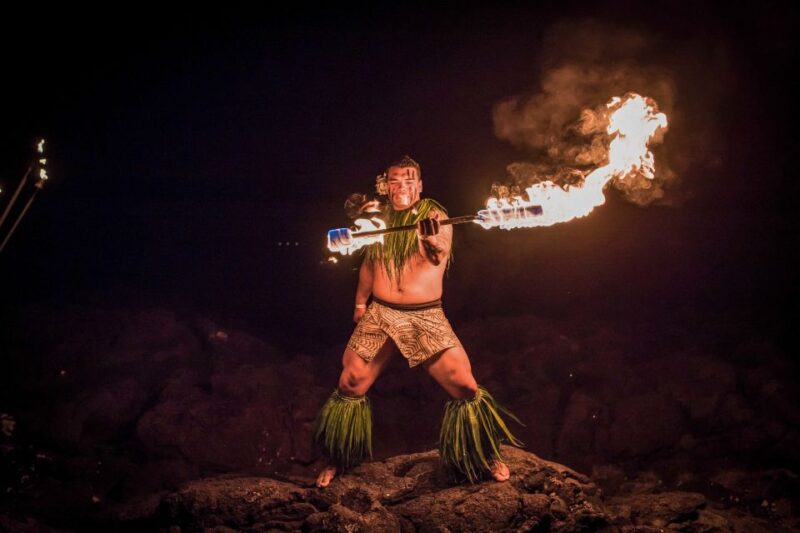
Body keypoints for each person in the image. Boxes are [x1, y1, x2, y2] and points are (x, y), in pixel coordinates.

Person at [313, 156, 522, 488]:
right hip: (381, 314)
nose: (401, 187)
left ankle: (484, 455)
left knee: (466, 387)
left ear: (420, 185)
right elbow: (370, 262)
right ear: (386, 185)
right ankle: (337, 460)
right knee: (349, 383)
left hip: (425, 316)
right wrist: (359, 301)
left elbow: (438, 253)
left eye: (408, 181)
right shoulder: (377, 220)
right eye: (394, 181)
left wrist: (428, 239)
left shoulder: (437, 217)